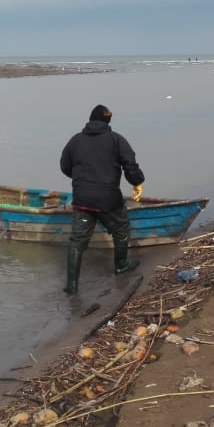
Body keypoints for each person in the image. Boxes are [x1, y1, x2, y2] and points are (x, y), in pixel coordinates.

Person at [60, 104, 145, 294]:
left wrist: (81, 180)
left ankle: (71, 286)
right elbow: (130, 165)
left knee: (77, 241)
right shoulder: (116, 140)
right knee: (121, 229)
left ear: (90, 119)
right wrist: (137, 182)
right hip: (108, 199)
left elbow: (65, 166)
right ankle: (121, 264)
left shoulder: (75, 140)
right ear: (108, 122)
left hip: (82, 200)